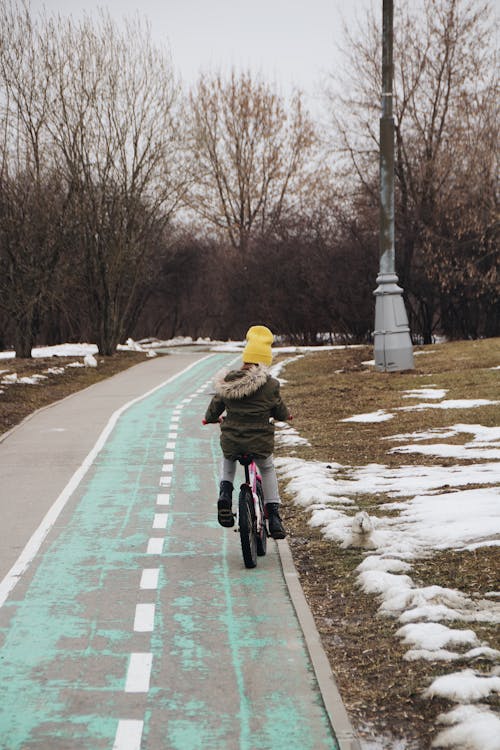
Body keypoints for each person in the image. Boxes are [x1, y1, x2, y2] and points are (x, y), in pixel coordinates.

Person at [203, 325, 291, 539]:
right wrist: (283, 416)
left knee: (228, 461)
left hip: (233, 439)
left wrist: (211, 419)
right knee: (267, 469)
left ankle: (225, 494)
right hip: (260, 441)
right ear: (265, 360)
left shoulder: (229, 381)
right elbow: (279, 410)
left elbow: (215, 407)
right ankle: (274, 516)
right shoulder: (270, 385)